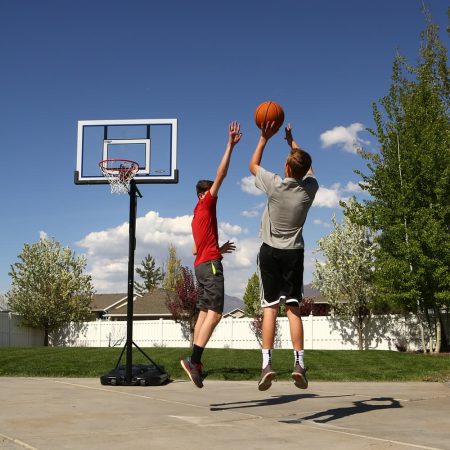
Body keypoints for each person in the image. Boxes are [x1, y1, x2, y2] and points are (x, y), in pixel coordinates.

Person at [249, 122, 319, 391]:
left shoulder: (275, 185)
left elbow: (253, 165)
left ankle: (266, 364)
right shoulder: (309, 189)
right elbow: (308, 168)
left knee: (269, 308)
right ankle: (299, 364)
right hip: (293, 254)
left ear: (287, 168)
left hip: (269, 252)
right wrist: (293, 142)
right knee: (293, 309)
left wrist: (264, 138)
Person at [181, 121, 242, 388]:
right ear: (204, 194)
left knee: (205, 312)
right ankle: (194, 360)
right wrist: (229, 145)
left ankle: (195, 362)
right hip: (210, 265)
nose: (215, 194)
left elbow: (196, 248)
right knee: (215, 314)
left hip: (201, 265)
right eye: (212, 192)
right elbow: (222, 174)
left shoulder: (195, 216)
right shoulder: (206, 203)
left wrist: (219, 249)